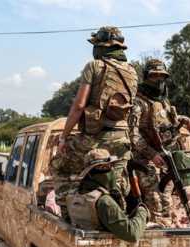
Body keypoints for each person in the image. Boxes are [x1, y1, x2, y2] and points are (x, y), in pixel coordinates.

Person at [51, 26, 138, 214]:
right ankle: (117, 216)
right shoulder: (132, 71)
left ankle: (68, 212)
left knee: (58, 165)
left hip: (96, 138)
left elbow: (79, 106)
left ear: (101, 46)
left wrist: (63, 138)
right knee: (117, 182)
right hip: (122, 140)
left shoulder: (94, 66)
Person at [129, 59, 190, 226]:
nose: (159, 80)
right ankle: (156, 231)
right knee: (155, 200)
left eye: (162, 76)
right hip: (143, 160)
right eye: (154, 76)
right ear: (146, 77)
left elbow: (169, 122)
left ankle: (166, 229)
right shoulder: (138, 102)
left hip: (165, 157)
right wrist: (151, 154)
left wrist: (186, 120)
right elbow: (132, 134)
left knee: (167, 197)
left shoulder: (163, 101)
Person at [67, 149, 149, 242]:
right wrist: (142, 210)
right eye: (106, 167)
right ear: (91, 173)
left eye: (111, 166)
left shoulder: (73, 195)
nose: (111, 170)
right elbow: (132, 234)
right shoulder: (104, 201)